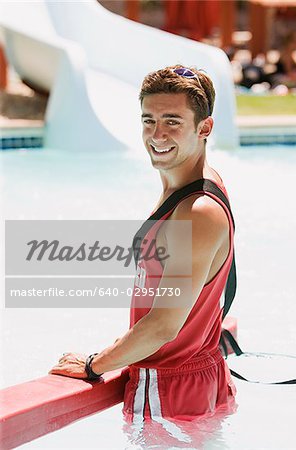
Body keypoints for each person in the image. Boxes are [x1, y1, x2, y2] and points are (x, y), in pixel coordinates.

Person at [50, 65, 237, 422]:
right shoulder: (199, 184)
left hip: (168, 387)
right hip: (193, 377)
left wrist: (94, 364)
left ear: (204, 128)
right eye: (148, 120)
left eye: (172, 121)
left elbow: (163, 326)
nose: (157, 134)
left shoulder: (196, 211)